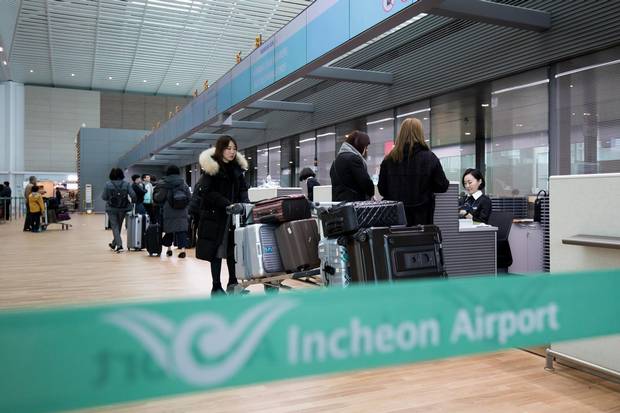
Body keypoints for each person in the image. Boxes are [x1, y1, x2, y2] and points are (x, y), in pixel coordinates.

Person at [195, 135, 250, 295]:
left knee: (234, 251)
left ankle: (233, 283)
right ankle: (216, 286)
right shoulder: (212, 168)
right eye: (228, 148)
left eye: (234, 148)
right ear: (221, 149)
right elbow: (206, 193)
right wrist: (226, 203)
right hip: (216, 217)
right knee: (217, 252)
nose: (232, 152)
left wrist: (244, 203)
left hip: (234, 216)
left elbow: (242, 190)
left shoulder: (237, 170)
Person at [378, 118, 449, 226]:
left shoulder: (389, 159)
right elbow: (442, 186)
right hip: (422, 219)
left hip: (395, 219)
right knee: (419, 242)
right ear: (420, 133)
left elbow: (382, 190)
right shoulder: (430, 158)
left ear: (400, 134)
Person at [153, 165, 191, 259]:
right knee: (181, 230)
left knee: (169, 230)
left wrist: (155, 196)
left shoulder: (164, 184)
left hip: (168, 210)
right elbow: (189, 197)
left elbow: (159, 197)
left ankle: (169, 249)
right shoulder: (183, 183)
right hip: (182, 210)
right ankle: (182, 250)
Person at [330, 131, 375, 202]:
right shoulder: (353, 159)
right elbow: (365, 182)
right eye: (365, 146)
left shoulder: (335, 161)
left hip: (338, 204)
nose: (365, 149)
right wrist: (371, 192)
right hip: (354, 204)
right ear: (359, 145)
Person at [102, 168, 136, 253]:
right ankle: (114, 244)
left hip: (111, 208)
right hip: (123, 208)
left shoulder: (108, 184)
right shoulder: (126, 184)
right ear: (121, 174)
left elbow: (104, 197)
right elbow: (133, 195)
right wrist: (132, 203)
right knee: (119, 225)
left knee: (114, 226)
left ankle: (119, 245)